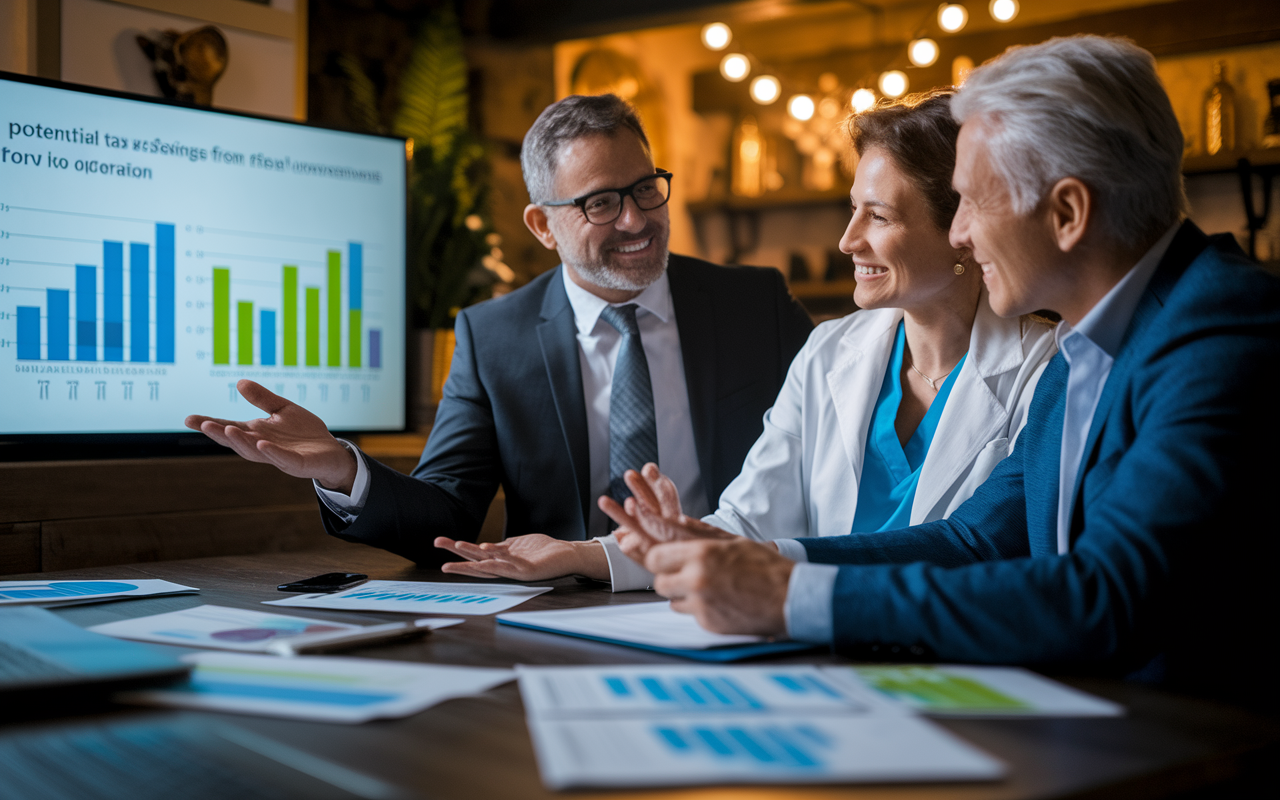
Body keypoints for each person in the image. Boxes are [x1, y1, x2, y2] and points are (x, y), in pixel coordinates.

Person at [605, 35, 1280, 704]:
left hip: (1198, 747)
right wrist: (760, 562)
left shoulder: (1222, 328)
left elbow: (1106, 596)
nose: (959, 235)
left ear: (1068, 213)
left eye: (973, 202)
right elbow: (975, 538)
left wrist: (790, 595)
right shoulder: (1086, 341)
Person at [440, 89, 1057, 589]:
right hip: (812, 643)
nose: (846, 241)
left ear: (962, 227)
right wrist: (584, 554)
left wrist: (763, 563)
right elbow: (746, 522)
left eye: (878, 215)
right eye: (851, 209)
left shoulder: (1047, 367)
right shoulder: (828, 352)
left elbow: (981, 549)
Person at [185, 94, 813, 568]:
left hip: (735, 583)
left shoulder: (755, 305)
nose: (636, 220)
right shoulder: (494, 337)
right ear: (543, 225)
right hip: (561, 603)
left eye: (647, 189)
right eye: (600, 203)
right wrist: (344, 471)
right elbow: (447, 512)